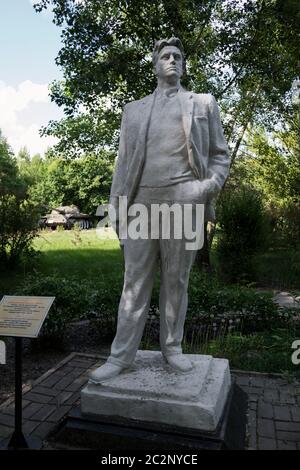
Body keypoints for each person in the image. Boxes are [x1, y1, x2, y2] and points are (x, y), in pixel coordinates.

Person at [90, 37, 230, 383]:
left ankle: (173, 349)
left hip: (184, 200)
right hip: (141, 204)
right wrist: (116, 211)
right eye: (165, 56)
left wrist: (206, 187)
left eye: (177, 56)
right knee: (134, 283)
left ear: (183, 64)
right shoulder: (133, 110)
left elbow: (219, 155)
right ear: (155, 65)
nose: (172, 60)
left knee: (176, 280)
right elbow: (123, 165)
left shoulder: (203, 103)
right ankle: (121, 357)